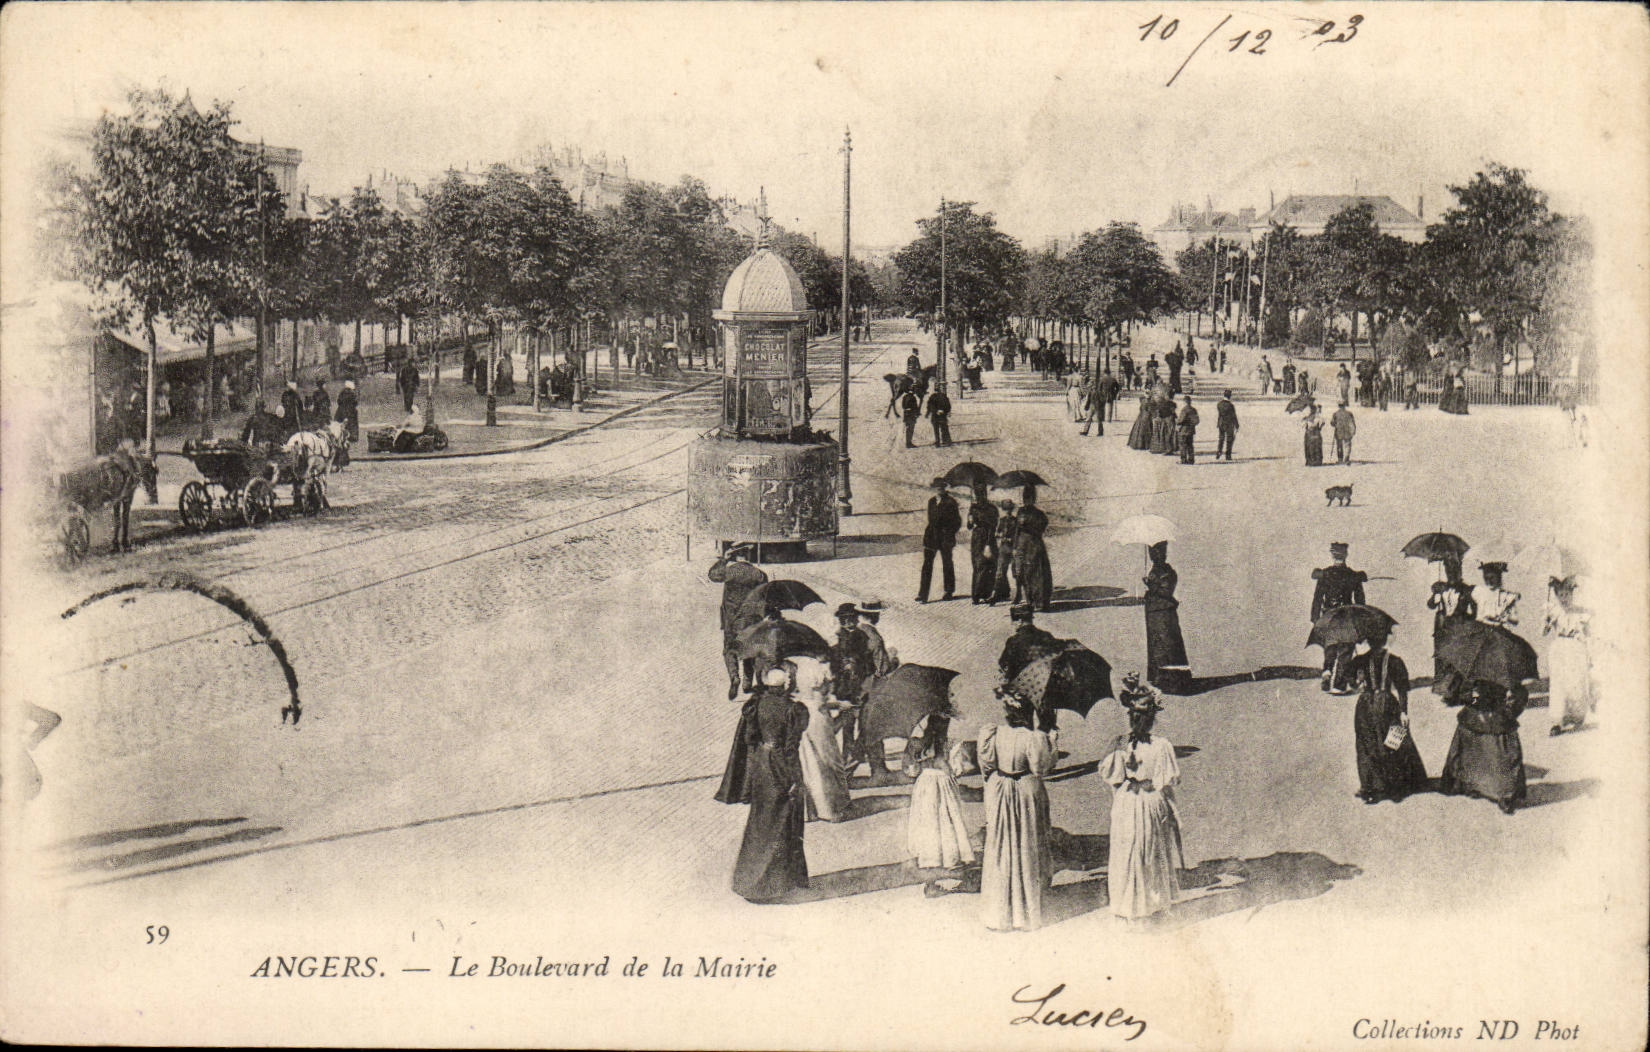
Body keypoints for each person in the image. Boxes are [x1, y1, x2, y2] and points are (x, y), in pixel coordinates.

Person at [1101, 679, 1184, 924]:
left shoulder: (1135, 744)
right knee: (1140, 852)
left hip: (1136, 802)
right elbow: (1166, 782)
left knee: (1137, 851)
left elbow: (1113, 778)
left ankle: (1139, 905)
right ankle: (1141, 905)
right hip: (1141, 802)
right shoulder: (1146, 745)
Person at [730, 665, 812, 902]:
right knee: (784, 821)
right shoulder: (793, 710)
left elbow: (750, 738)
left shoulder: (757, 705)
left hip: (761, 766)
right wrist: (795, 779)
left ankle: (750, 881)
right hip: (780, 765)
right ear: (785, 684)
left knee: (761, 823)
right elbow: (790, 748)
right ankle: (776, 884)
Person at [980, 688, 1056, 931]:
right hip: (1025, 789)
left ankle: (1001, 910)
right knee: (1026, 843)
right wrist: (1051, 742)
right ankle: (1026, 907)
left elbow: (987, 764)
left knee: (1002, 844)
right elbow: (1041, 767)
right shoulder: (1033, 737)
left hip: (1000, 788)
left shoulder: (994, 733)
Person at [1349, 628, 1428, 803]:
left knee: (1367, 745)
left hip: (1366, 706)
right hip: (1387, 705)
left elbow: (1350, 683)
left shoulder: (1360, 661)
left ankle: (1371, 787)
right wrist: (1404, 712)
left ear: (1368, 641)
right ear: (1385, 641)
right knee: (1394, 741)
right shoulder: (1394, 661)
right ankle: (1396, 785)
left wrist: (1357, 678)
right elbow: (1402, 689)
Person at [1439, 680, 1529, 815]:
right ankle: (1503, 794)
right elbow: (1520, 699)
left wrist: (1474, 699)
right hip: (1495, 719)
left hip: (1478, 717)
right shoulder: (1508, 674)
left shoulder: (1474, 671)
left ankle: (1469, 785)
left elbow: (1460, 694)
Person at [905, 712, 974, 870]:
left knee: (928, 819)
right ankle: (950, 856)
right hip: (943, 782)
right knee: (948, 817)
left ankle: (930, 856)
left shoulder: (919, 745)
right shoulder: (950, 744)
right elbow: (958, 769)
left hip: (924, 783)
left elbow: (912, 770)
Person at [790, 656, 849, 823]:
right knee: (826, 760)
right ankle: (830, 809)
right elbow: (819, 703)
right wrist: (838, 705)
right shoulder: (819, 670)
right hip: (817, 717)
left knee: (809, 762)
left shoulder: (801, 667)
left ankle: (812, 810)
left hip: (804, 715)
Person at [709, 545, 769, 699]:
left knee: (729, 650)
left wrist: (723, 559)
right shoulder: (758, 574)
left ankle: (735, 677)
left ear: (735, 556)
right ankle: (747, 683)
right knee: (749, 649)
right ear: (748, 555)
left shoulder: (729, 572)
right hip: (750, 620)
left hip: (731, 621)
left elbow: (713, 575)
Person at [1311, 542, 1368, 693]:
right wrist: (1360, 619)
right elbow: (1360, 602)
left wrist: (1315, 619)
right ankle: (1338, 684)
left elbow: (1317, 598)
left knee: (1330, 645)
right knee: (1346, 649)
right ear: (1346, 556)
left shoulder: (1325, 574)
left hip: (1329, 615)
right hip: (1346, 616)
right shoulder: (1353, 575)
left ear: (1332, 556)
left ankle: (1327, 671)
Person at [1544, 576, 1593, 735]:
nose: (1564, 598)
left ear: (1572, 594)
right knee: (1558, 684)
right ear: (1556, 596)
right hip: (1559, 648)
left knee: (1575, 682)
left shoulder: (1580, 612)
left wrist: (1585, 627)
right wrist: (1547, 622)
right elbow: (1544, 632)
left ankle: (1577, 714)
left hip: (1575, 648)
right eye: (1560, 595)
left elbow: (1587, 634)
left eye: (1566, 594)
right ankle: (1556, 720)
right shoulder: (1553, 611)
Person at [1143, 541, 1191, 693]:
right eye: (1151, 552)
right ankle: (1159, 677)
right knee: (1156, 644)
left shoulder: (1167, 571)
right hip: (1154, 612)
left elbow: (1166, 591)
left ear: (1163, 553)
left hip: (1163, 612)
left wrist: (1151, 586)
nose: (1153, 555)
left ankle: (1174, 679)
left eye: (1156, 552)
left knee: (1168, 645)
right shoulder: (1155, 569)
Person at [1428, 554, 1477, 698]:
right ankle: (1447, 691)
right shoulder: (1441, 588)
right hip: (1443, 628)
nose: (1452, 573)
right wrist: (1435, 594)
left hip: (1461, 627)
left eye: (1455, 570)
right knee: (1444, 658)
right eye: (1449, 570)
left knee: (1461, 658)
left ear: (1460, 571)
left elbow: (1474, 609)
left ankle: (1463, 691)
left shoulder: (1466, 589)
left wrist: (1469, 622)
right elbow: (1431, 605)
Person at [917, 479, 961, 603]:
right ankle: (923, 594)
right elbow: (931, 520)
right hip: (931, 537)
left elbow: (957, 522)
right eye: (937, 487)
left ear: (944, 488)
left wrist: (949, 533)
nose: (939, 490)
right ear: (934, 489)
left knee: (947, 564)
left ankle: (949, 591)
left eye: (941, 487)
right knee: (927, 565)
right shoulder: (931, 501)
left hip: (945, 538)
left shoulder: (951, 502)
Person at [1012, 485, 1052, 612]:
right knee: (1024, 573)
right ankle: (1029, 601)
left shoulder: (1039, 514)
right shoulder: (1020, 512)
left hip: (1034, 545)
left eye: (1029, 498)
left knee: (1037, 574)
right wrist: (1015, 546)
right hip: (1022, 545)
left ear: (1033, 499)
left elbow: (1041, 529)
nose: (1026, 501)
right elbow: (1016, 530)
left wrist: (1027, 526)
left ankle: (1040, 602)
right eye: (1025, 498)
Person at [1472, 562, 1520, 628]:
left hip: (1499, 632)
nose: (1489, 581)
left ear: (1498, 578)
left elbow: (1515, 621)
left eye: (1492, 578)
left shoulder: (1507, 597)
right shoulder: (1478, 592)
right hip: (1481, 630)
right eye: (1486, 578)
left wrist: (1505, 619)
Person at [991, 499, 1019, 604]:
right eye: (1006, 509)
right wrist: (999, 535)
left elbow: (1017, 534)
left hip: (1013, 548)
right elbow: (997, 532)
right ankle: (997, 593)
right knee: (1000, 571)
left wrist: (1011, 539)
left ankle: (1018, 594)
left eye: (1009, 509)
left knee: (1015, 572)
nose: (1008, 511)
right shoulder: (1002, 520)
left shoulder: (1015, 521)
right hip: (1003, 548)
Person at [1214, 389, 1239, 461]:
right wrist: (1237, 425)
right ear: (1230, 396)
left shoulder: (1219, 404)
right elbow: (1234, 416)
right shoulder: (1231, 406)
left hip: (1221, 423)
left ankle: (1219, 451)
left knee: (1221, 438)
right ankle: (1228, 455)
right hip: (1229, 423)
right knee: (1229, 439)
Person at [1175, 395, 1199, 464]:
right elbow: (1197, 420)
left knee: (1182, 445)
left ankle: (1183, 459)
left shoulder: (1184, 410)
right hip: (1191, 430)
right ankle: (1191, 459)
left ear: (1184, 402)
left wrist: (1177, 421)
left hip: (1184, 430)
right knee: (1190, 445)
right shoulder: (1194, 410)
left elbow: (1180, 420)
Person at [1302, 401, 1325, 467]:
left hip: (1309, 433)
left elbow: (1303, 426)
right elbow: (1323, 423)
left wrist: (1305, 422)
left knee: (1309, 447)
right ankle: (1317, 461)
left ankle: (1310, 461)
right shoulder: (1318, 417)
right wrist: (1320, 427)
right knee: (1317, 447)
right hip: (1316, 433)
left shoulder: (1307, 418)